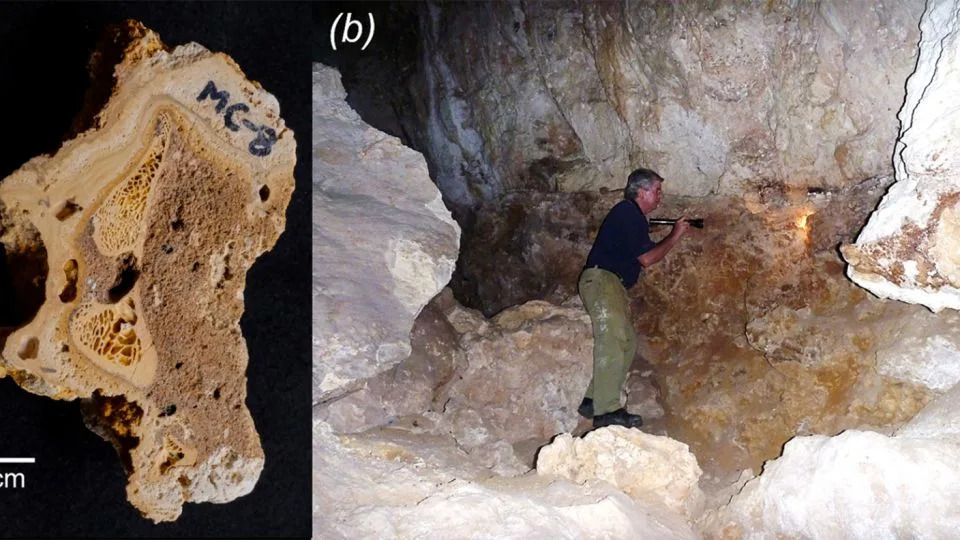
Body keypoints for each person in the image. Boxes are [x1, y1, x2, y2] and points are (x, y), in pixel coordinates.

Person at [577, 168, 690, 429]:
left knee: (627, 342)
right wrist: (675, 236)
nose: (660, 197)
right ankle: (606, 411)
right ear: (641, 191)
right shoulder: (628, 212)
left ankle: (594, 399)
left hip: (611, 283)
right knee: (614, 337)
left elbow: (644, 251)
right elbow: (647, 258)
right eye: (657, 191)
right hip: (602, 279)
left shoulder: (633, 218)